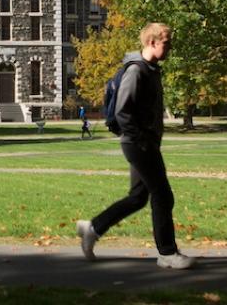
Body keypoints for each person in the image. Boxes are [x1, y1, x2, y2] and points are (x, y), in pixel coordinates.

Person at [76, 23, 195, 270]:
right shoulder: (136, 71)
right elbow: (122, 111)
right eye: (166, 44)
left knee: (138, 197)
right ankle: (167, 253)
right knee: (162, 195)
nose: (170, 48)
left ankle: (93, 228)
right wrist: (141, 140)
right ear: (152, 42)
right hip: (138, 144)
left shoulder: (151, 69)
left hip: (144, 142)